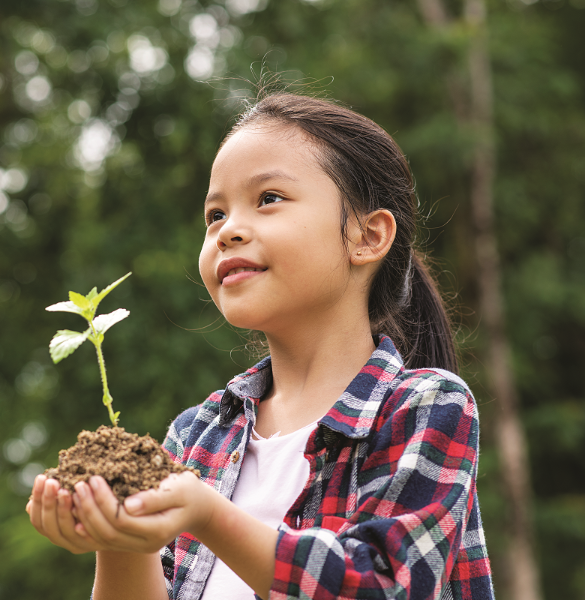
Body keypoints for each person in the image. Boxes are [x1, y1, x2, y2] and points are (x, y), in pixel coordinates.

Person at [26, 92, 494, 600]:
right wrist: (119, 535)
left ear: (367, 235)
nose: (227, 231)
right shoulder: (195, 436)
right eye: (214, 215)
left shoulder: (425, 406)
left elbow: (382, 587)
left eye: (268, 198)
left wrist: (208, 516)